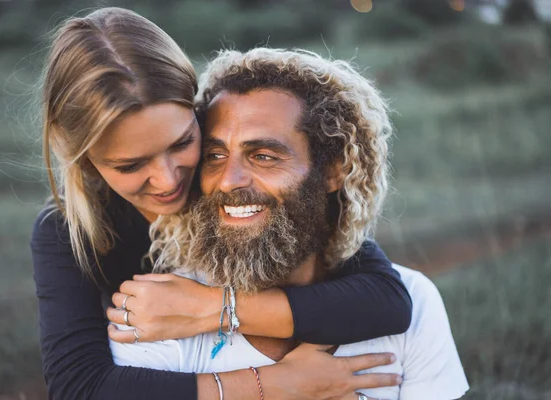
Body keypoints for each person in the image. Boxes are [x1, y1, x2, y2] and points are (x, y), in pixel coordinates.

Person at [31, 7, 412, 400]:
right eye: (130, 164)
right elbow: (78, 388)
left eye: (181, 143)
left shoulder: (220, 179)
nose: (168, 180)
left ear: (196, 112)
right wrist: (277, 386)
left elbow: (386, 302)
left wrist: (214, 307)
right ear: (84, 159)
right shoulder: (66, 230)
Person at [109, 47, 470, 400]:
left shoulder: (414, 300)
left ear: (334, 169)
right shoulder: (158, 312)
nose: (229, 180)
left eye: (263, 156)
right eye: (215, 156)